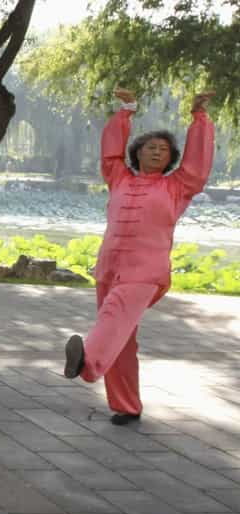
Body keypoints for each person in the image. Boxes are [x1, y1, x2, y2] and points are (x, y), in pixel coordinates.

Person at [63, 88, 216, 425]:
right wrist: (126, 112)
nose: (157, 152)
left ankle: (86, 365)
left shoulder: (178, 186)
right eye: (151, 147)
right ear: (138, 153)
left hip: (146, 271)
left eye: (164, 149)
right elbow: (110, 156)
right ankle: (127, 405)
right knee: (123, 338)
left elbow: (198, 164)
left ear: (171, 158)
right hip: (109, 267)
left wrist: (199, 119)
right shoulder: (119, 178)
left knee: (114, 318)